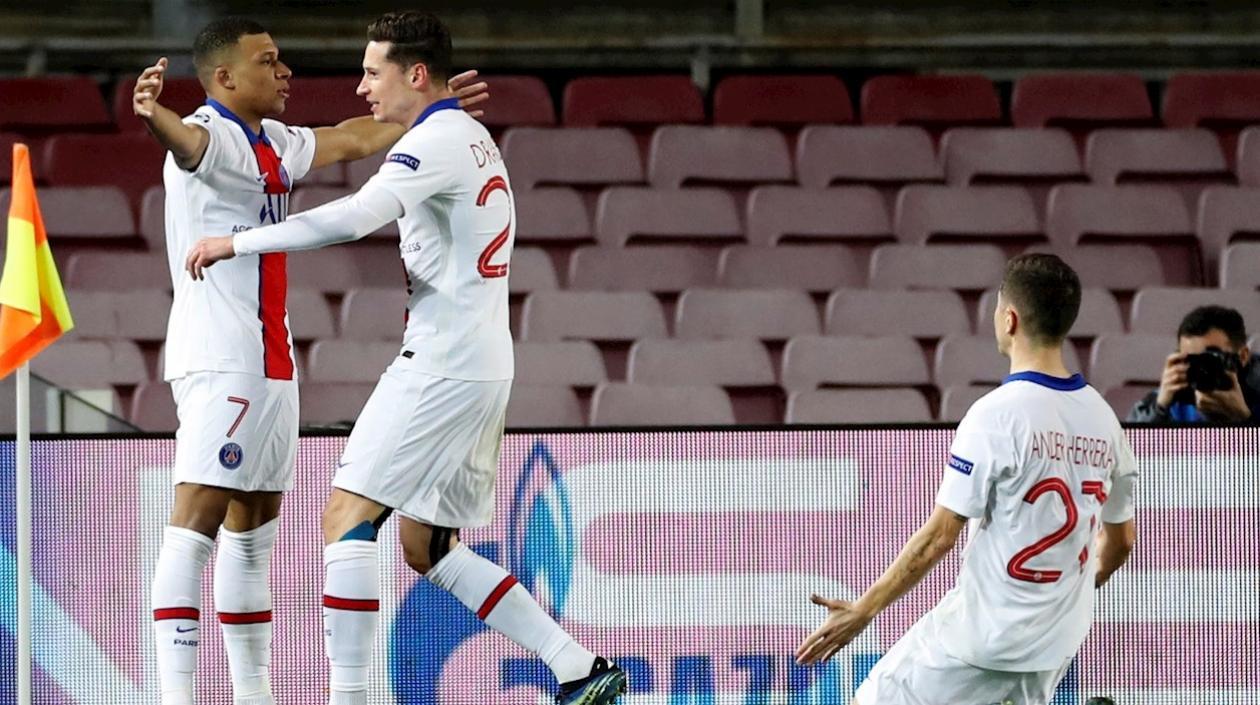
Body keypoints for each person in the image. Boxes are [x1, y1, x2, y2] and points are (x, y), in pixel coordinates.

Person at [183, 11, 627, 705]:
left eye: (372, 71)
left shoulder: (435, 143)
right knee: (426, 545)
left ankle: (352, 696)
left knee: (346, 516)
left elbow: (357, 215)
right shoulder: (468, 136)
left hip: (440, 364)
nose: (361, 86)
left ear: (415, 74)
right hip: (482, 362)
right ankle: (578, 666)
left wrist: (238, 242)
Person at [134, 17, 487, 705]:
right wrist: (156, 116)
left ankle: (252, 693)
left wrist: (432, 112)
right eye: (268, 62)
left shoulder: (276, 141)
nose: (285, 70)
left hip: (270, 361)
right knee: (194, 524)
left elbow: (354, 136)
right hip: (220, 358)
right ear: (226, 78)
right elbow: (186, 143)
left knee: (252, 536)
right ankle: (175, 695)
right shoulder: (212, 134)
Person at [795, 254, 1138, 705]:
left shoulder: (998, 414)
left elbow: (940, 536)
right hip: (1054, 645)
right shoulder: (1104, 421)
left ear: (1009, 318)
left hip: (983, 641)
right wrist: (1062, 593)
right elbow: (1121, 542)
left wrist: (864, 610)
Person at [1127, 305, 1260, 425]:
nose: (1202, 368)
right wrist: (1159, 409)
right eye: (1192, 360)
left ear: (1242, 356)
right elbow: (1127, 447)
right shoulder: (1176, 395)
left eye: (1211, 357)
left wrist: (1244, 419)